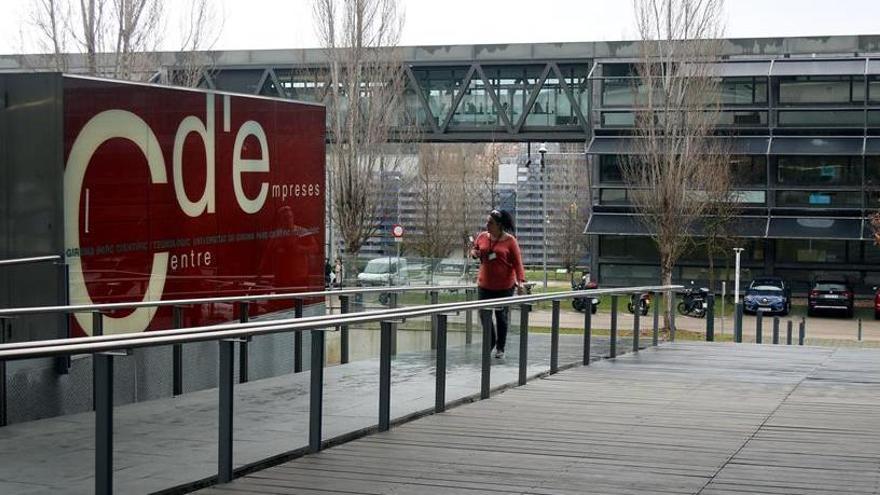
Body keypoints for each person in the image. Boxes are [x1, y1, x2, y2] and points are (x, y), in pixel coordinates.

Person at [470, 209, 526, 359]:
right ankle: (491, 342)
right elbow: (475, 249)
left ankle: (500, 347)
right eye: (487, 222)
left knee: (501, 316)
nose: (487, 225)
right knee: (484, 315)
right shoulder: (482, 237)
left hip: (504, 286)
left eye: (491, 223)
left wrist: (520, 282)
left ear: (499, 225)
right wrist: (474, 253)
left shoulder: (510, 241)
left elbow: (517, 263)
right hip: (484, 285)